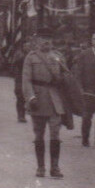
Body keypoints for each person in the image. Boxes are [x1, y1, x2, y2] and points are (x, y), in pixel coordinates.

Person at [21, 29, 68, 179]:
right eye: (43, 38)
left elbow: (67, 76)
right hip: (38, 99)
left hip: (55, 99)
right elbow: (26, 80)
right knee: (39, 134)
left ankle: (55, 167)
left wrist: (62, 79)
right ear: (37, 40)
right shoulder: (31, 57)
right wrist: (31, 97)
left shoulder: (58, 57)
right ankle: (41, 167)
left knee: (55, 133)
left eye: (49, 38)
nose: (46, 41)